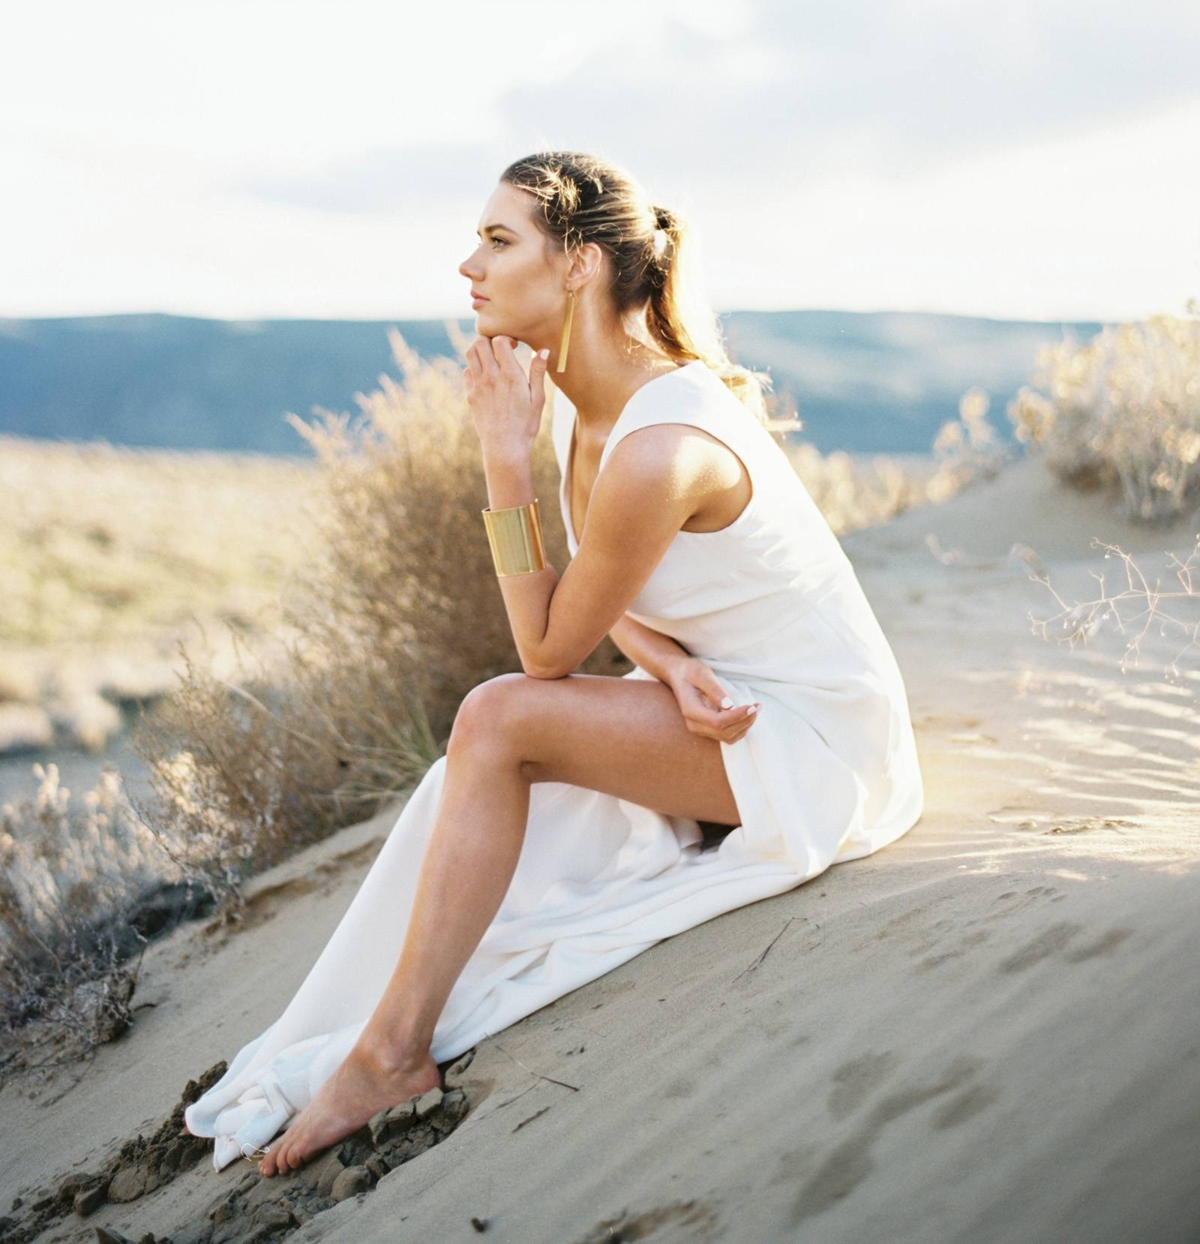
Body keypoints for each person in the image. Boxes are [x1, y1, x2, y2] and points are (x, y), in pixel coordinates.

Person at [184, 150, 925, 1174]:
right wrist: (664, 659)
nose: (467, 266)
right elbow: (609, 600)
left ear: (578, 262)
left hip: (815, 750)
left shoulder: (660, 445)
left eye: (498, 239)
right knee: (473, 767)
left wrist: (501, 453)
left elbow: (544, 646)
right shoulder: (591, 403)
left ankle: (392, 1050)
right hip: (729, 706)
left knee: (496, 718)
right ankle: (382, 1025)